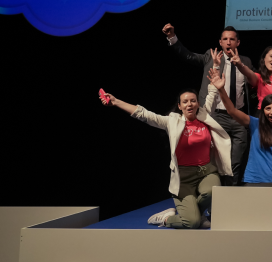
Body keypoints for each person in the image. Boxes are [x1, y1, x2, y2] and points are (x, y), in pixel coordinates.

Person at [99, 86, 231, 229]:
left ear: (198, 103)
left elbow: (211, 95)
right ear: (180, 106)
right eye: (185, 102)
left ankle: (198, 214)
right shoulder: (171, 122)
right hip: (184, 178)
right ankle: (166, 218)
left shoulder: (205, 117)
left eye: (193, 101)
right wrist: (116, 102)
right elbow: (144, 114)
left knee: (213, 191)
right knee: (192, 223)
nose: (189, 104)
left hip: (207, 172)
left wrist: (216, 72)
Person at [162, 23, 251, 185]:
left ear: (238, 43)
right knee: (217, 160)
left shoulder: (245, 61)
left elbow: (254, 82)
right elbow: (187, 56)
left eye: (232, 39)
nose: (228, 42)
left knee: (236, 161)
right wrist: (171, 37)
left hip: (238, 117)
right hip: (216, 116)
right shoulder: (210, 57)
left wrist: (241, 65)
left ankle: (231, 195)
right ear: (220, 42)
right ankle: (217, 196)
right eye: (225, 39)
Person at [207, 61, 272, 184]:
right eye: (268, 108)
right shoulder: (255, 123)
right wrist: (221, 89)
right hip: (253, 181)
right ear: (263, 111)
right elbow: (232, 111)